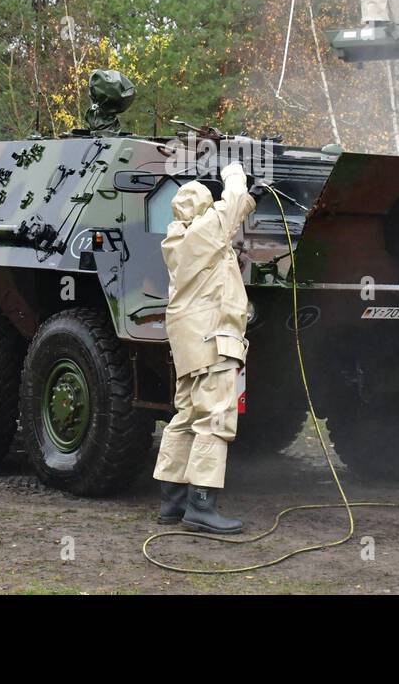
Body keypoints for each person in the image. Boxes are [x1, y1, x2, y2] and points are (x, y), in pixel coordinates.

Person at [153, 161, 256, 534]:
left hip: (191, 340)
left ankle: (172, 501)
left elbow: (232, 212)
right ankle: (201, 506)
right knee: (215, 416)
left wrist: (247, 200)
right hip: (213, 338)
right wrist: (235, 173)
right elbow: (232, 204)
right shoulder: (203, 233)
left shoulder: (181, 239)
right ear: (203, 209)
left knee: (185, 415)